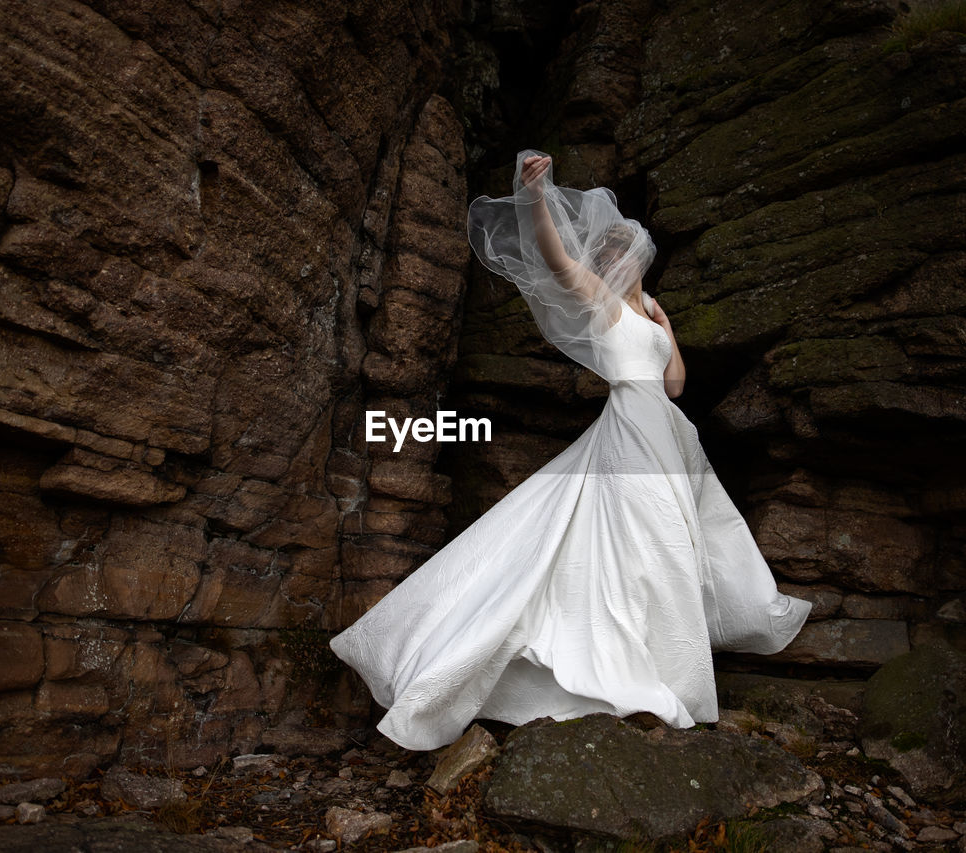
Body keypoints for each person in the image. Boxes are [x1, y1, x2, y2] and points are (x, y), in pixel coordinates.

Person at [329, 150, 812, 752]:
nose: (613, 258)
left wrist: (667, 327)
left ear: (640, 258)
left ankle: (666, 677)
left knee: (668, 545)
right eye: (606, 252)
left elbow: (676, 385)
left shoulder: (650, 311)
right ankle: (628, 681)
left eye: (622, 251)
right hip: (630, 429)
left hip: (665, 429)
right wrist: (535, 196)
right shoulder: (601, 301)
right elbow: (557, 261)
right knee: (644, 539)